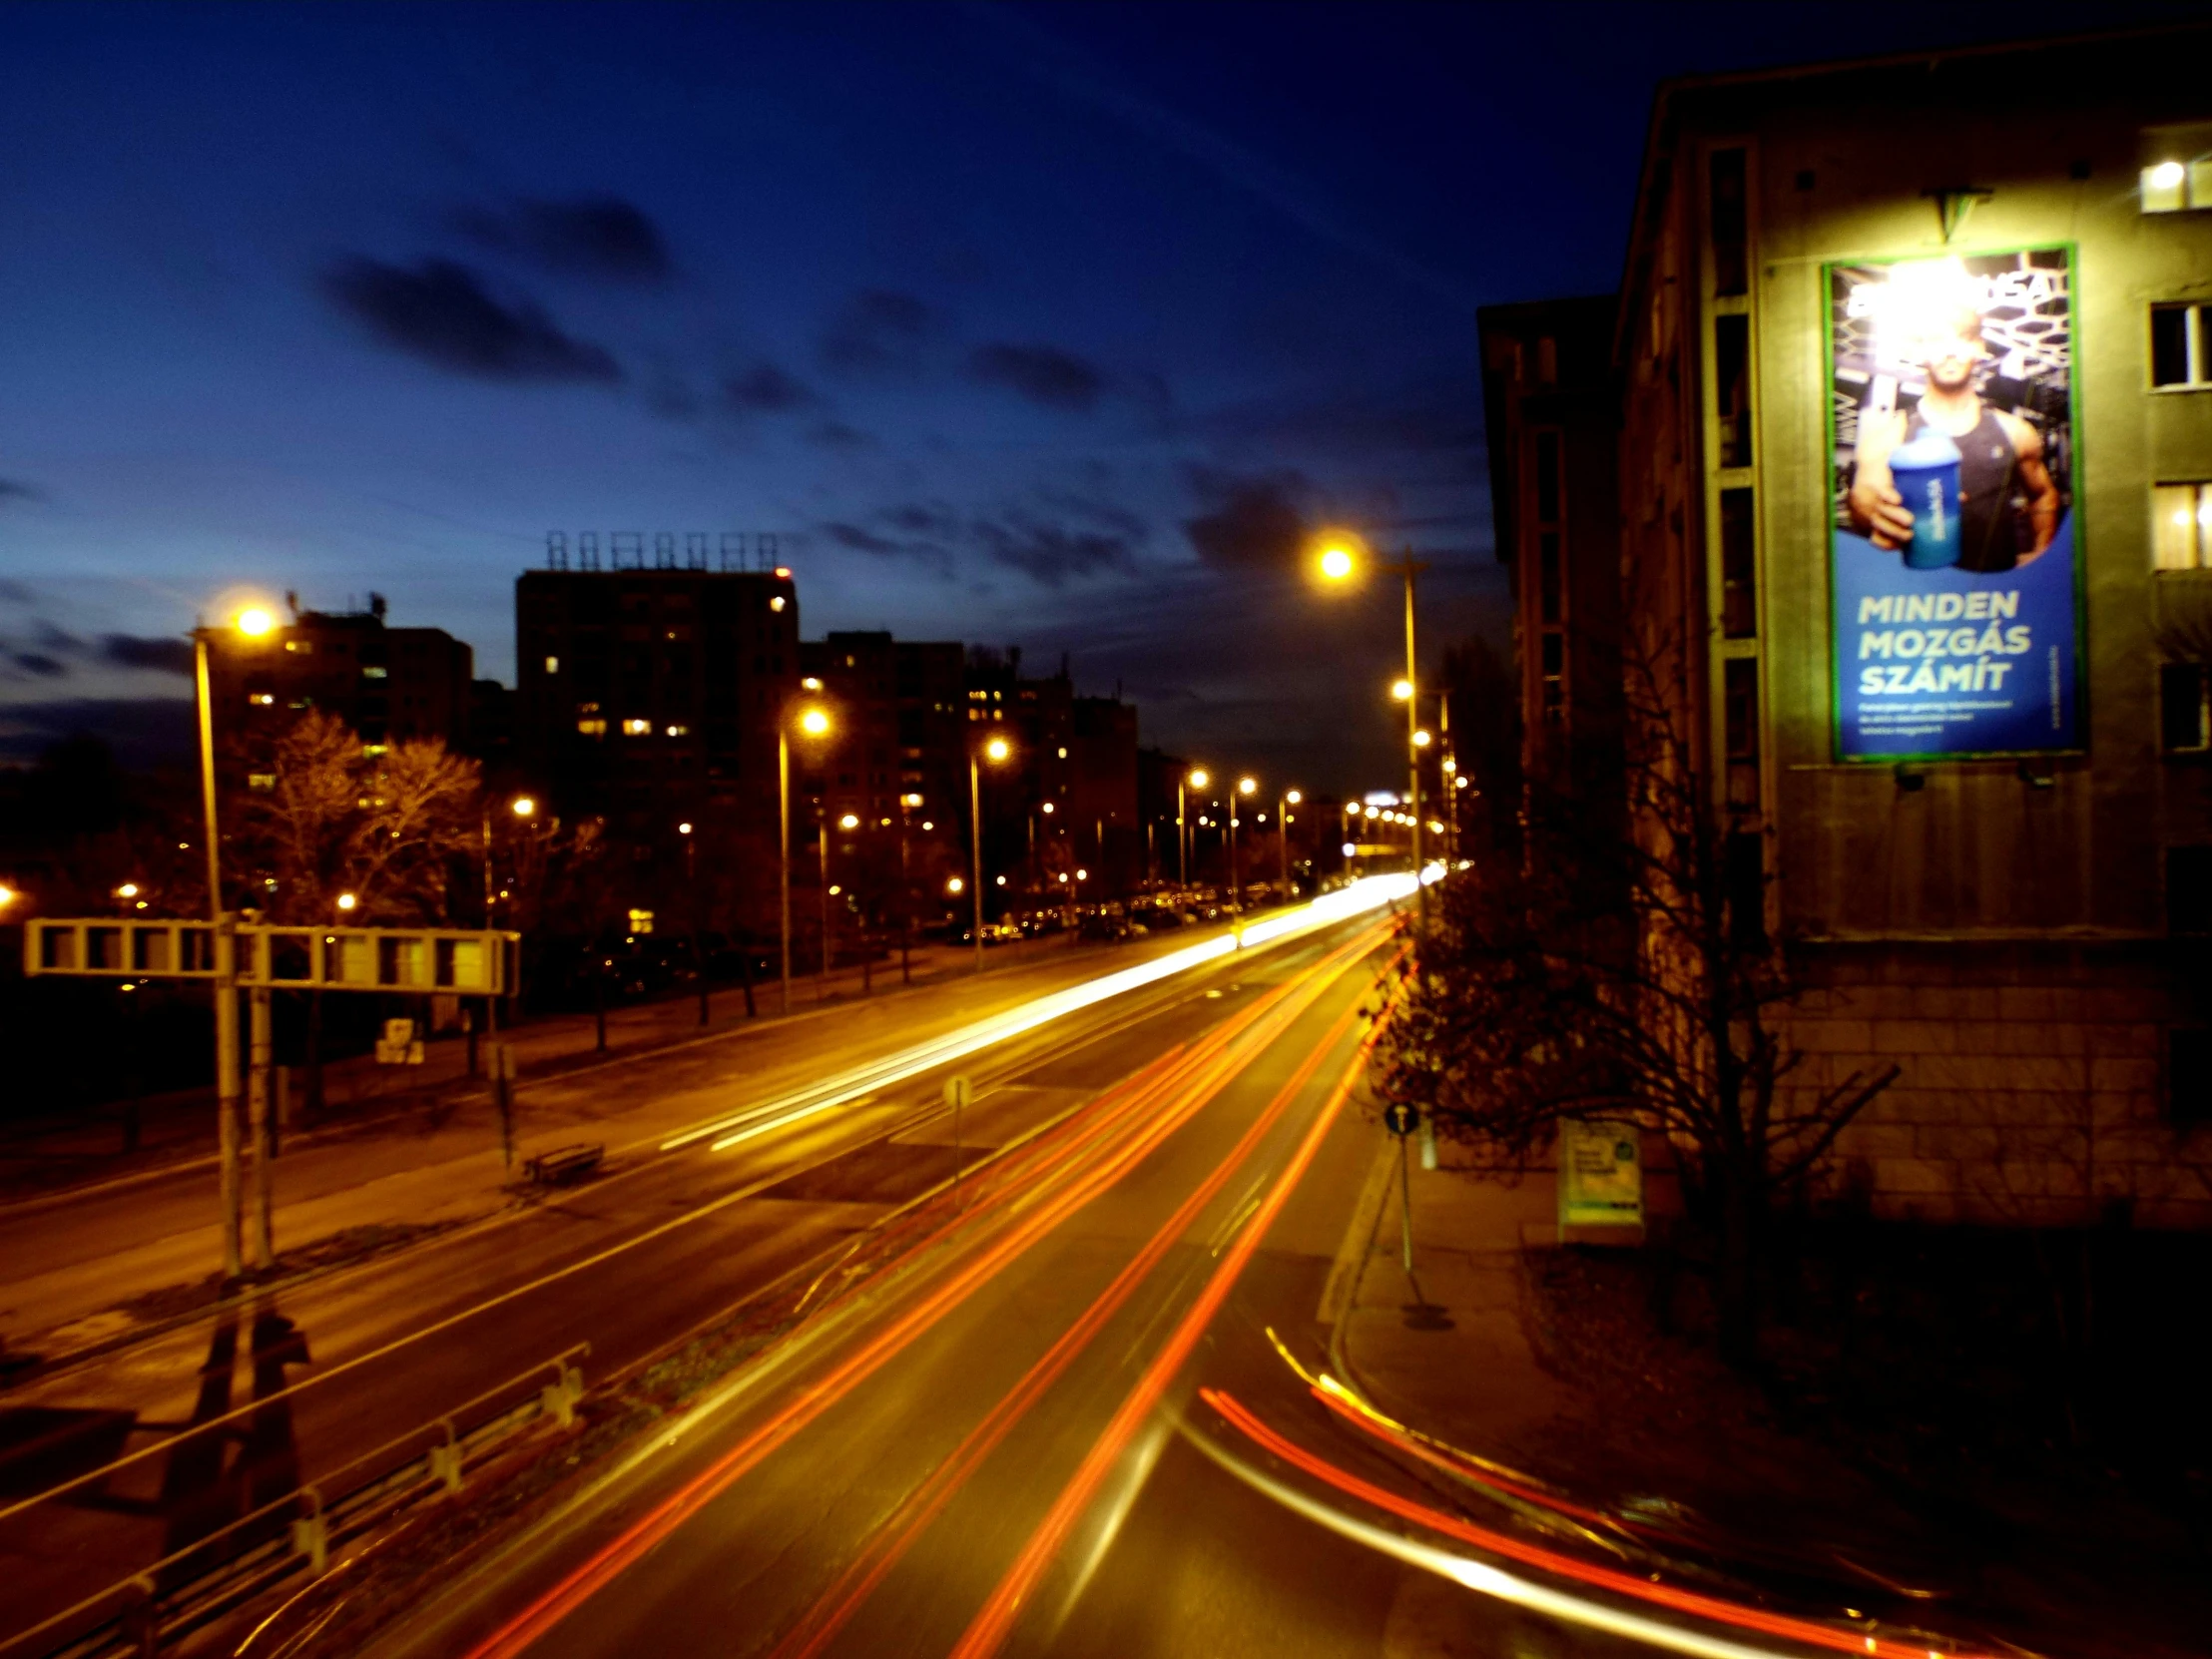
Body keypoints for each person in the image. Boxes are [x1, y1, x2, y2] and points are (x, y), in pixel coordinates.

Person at [1847, 303, 2059, 571]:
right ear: (1919, 353)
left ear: (1980, 349)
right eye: (1937, 340)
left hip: (2001, 598)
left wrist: (2042, 555)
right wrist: (1872, 516)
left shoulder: (2015, 431)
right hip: (1926, 597)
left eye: (1963, 338)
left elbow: (2042, 495)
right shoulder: (1888, 438)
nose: (1950, 351)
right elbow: (1864, 505)